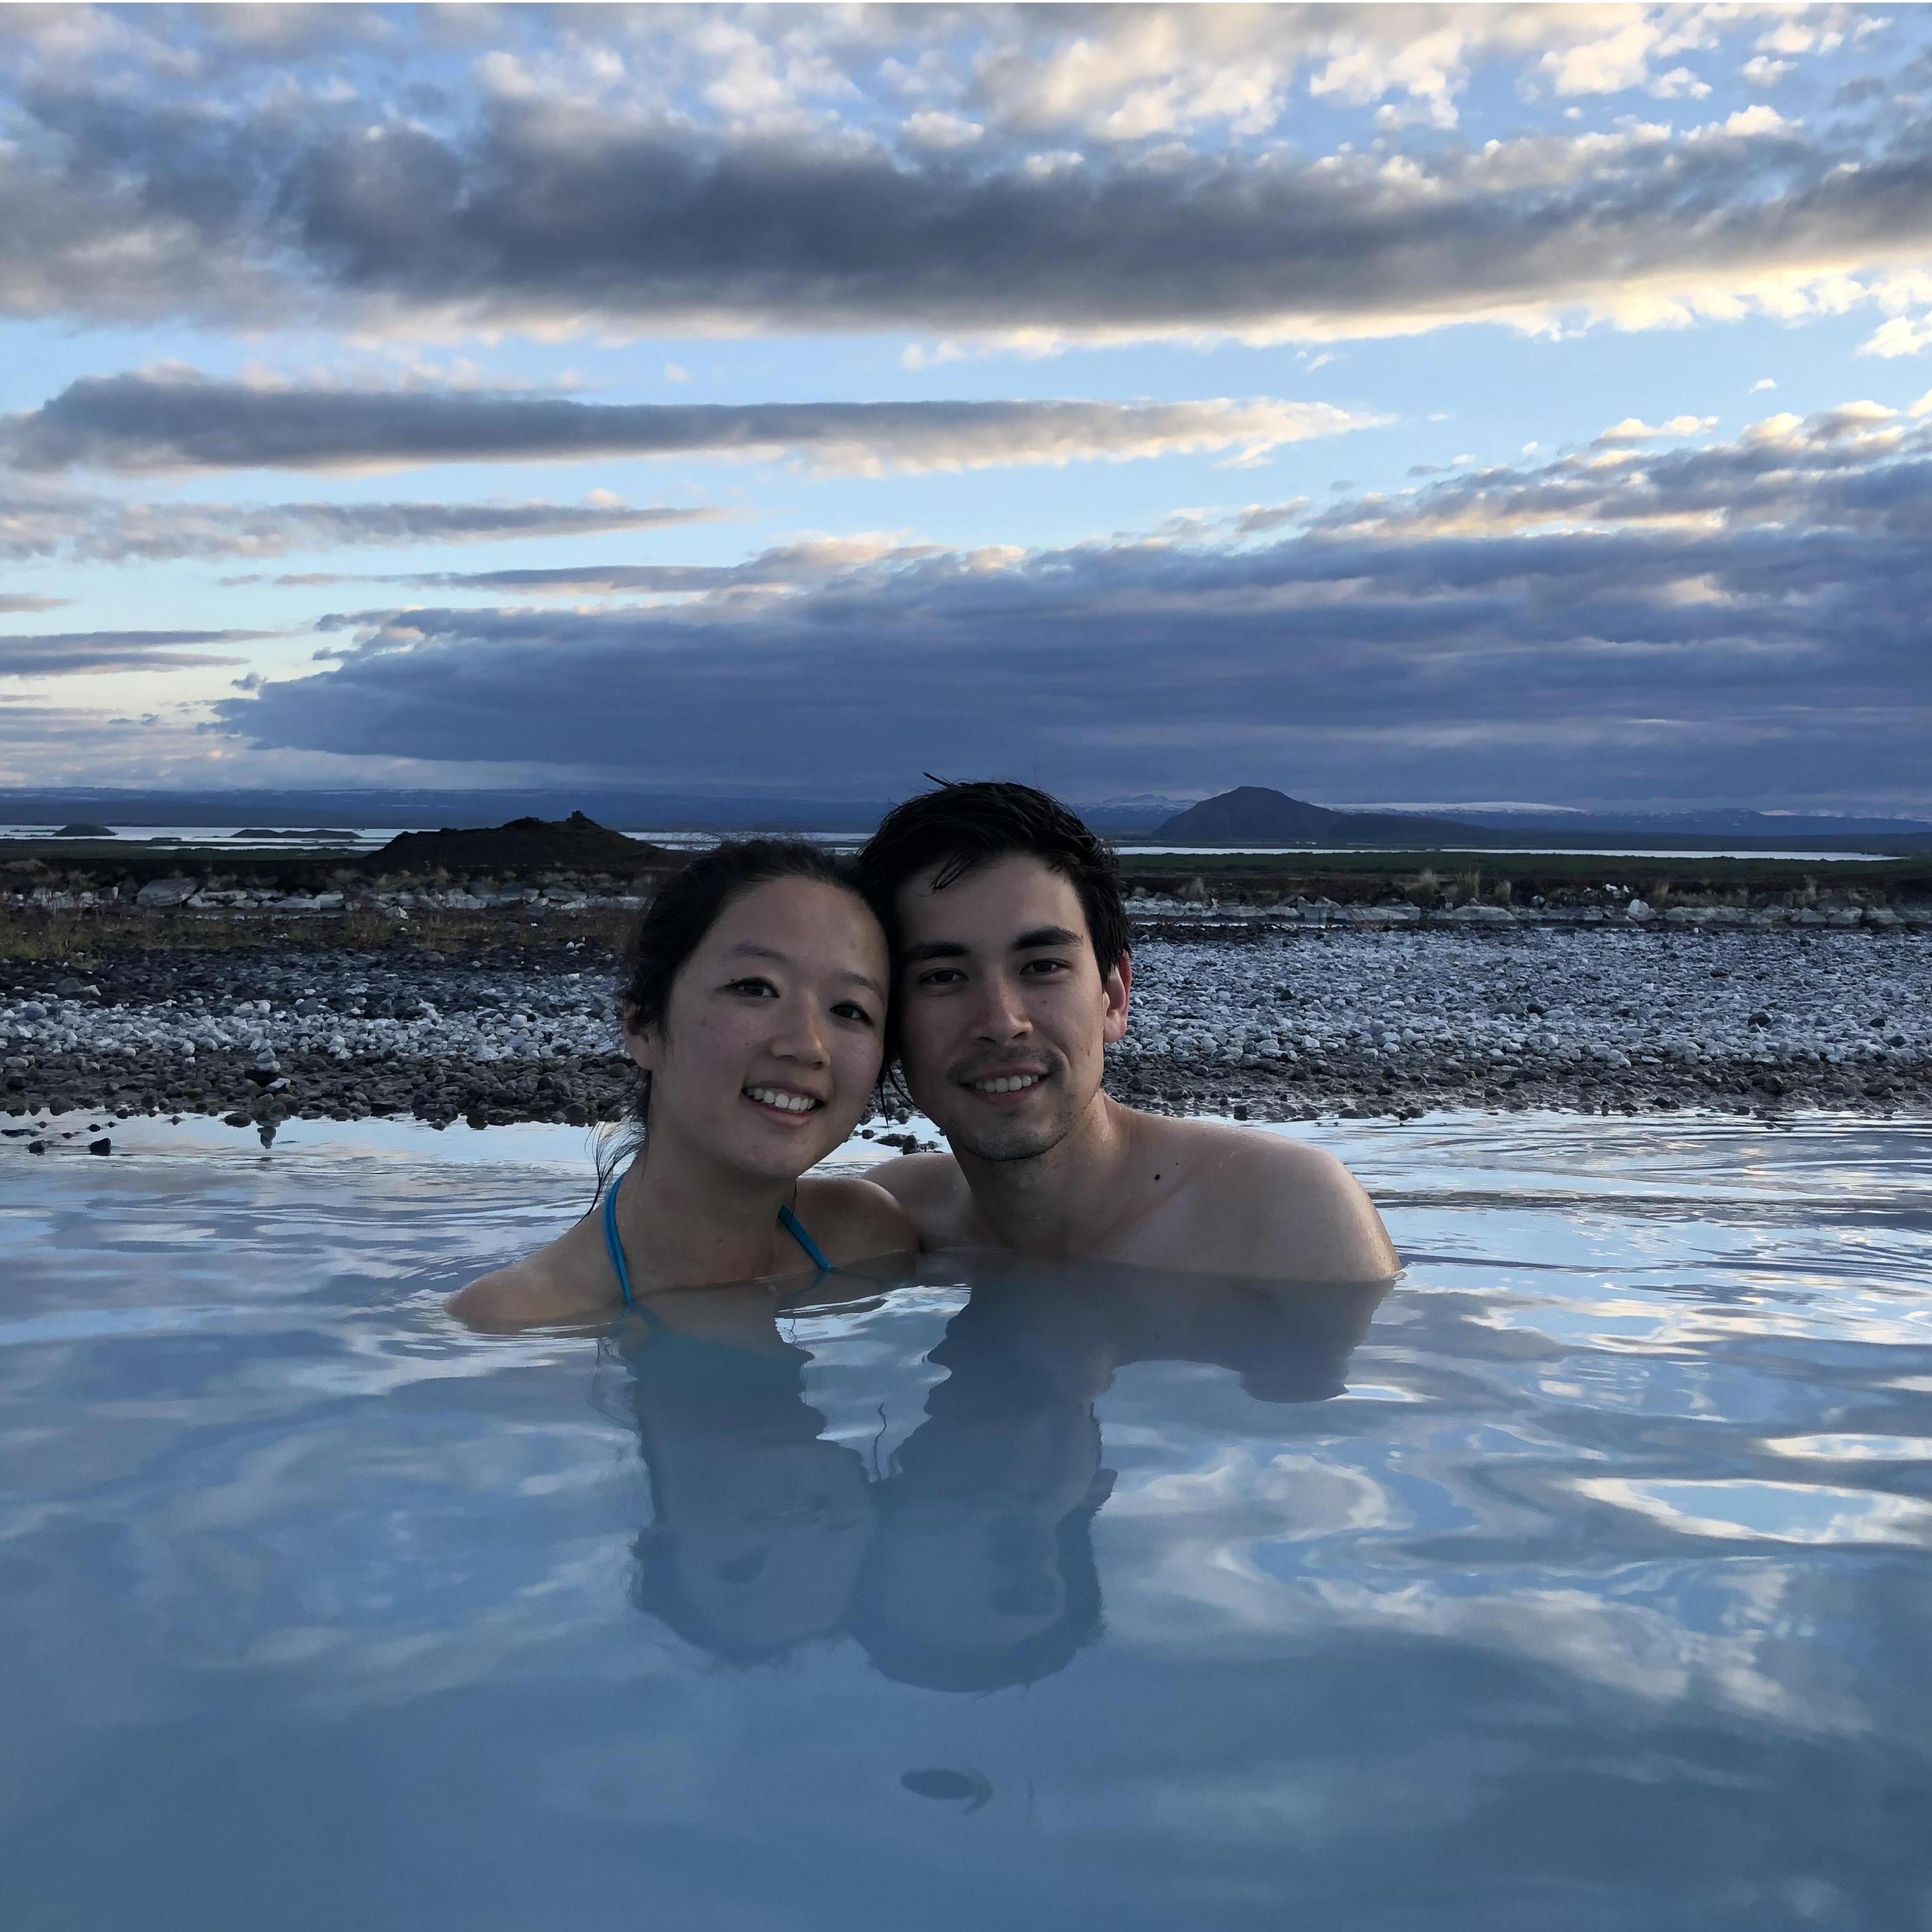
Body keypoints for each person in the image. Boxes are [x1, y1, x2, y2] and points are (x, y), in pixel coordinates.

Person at [852, 783, 1398, 1281]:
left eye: (1042, 966)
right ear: (887, 1020)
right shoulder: (882, 1223)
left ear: (1113, 997)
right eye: (943, 977)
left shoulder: (1285, 1214)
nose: (1001, 1023)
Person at [450, 839, 917, 1325]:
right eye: (754, 987)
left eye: (849, 1009)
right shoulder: (516, 1321)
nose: (807, 1045)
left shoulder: (870, 1242)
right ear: (642, 1026)